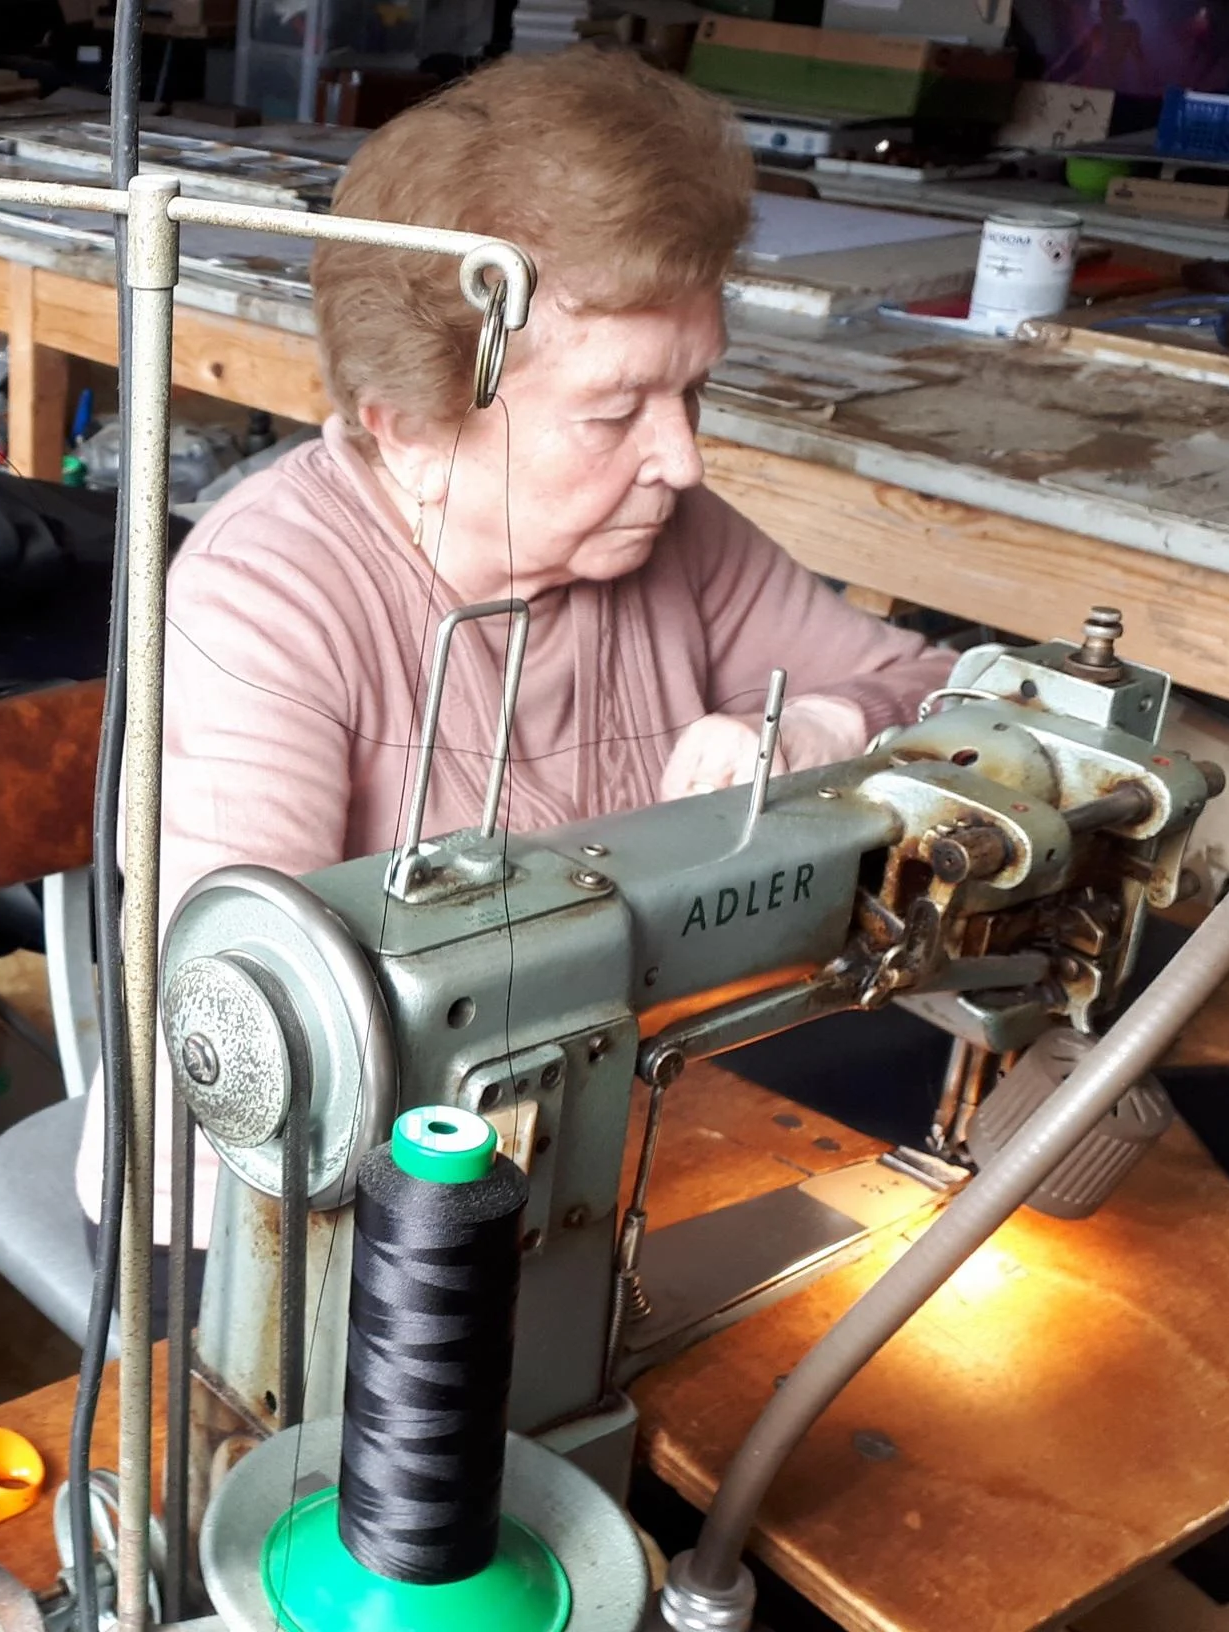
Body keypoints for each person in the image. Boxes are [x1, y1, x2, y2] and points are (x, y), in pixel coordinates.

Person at [74, 46, 955, 1249]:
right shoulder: (265, 598)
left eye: (693, 392)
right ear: (410, 430)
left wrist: (824, 727)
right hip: (303, 1222)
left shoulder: (675, 536)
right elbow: (244, 1045)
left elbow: (937, 694)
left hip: (627, 1143)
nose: (681, 459)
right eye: (613, 412)